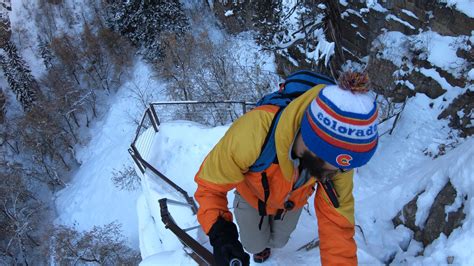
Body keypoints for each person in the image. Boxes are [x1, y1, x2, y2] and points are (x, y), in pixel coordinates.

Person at [194, 71, 378, 265]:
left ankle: (269, 244)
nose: (328, 173)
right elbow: (209, 187)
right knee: (253, 245)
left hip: (291, 203)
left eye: (337, 168)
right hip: (251, 196)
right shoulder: (254, 131)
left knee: (279, 241)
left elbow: (337, 225)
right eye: (322, 160)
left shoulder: (338, 165)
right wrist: (221, 234)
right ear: (308, 136)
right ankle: (259, 248)